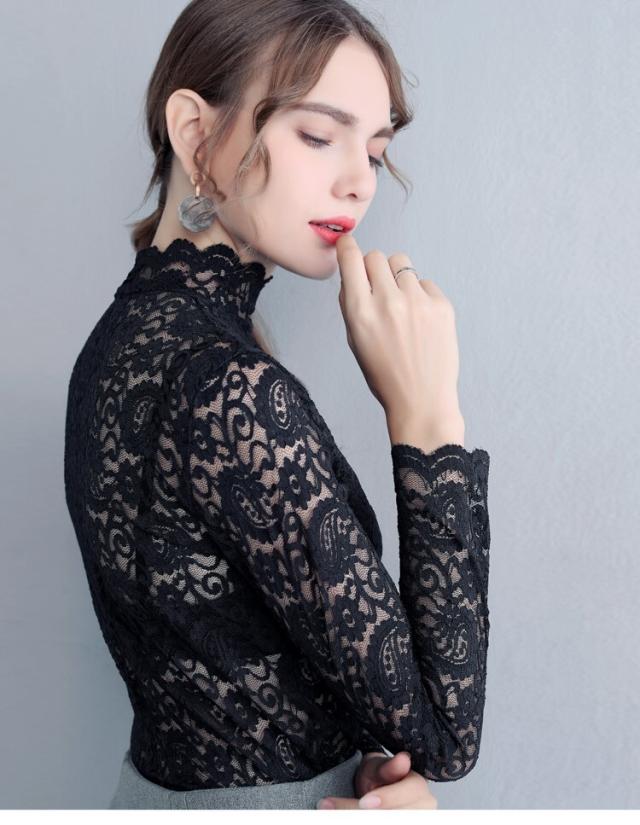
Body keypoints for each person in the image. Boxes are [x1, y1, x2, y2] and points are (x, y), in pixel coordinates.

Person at [64, 0, 490, 810]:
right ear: (195, 133)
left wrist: (349, 761)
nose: (359, 181)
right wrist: (429, 414)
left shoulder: (119, 343)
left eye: (375, 149)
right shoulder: (228, 386)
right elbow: (444, 735)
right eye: (319, 134)